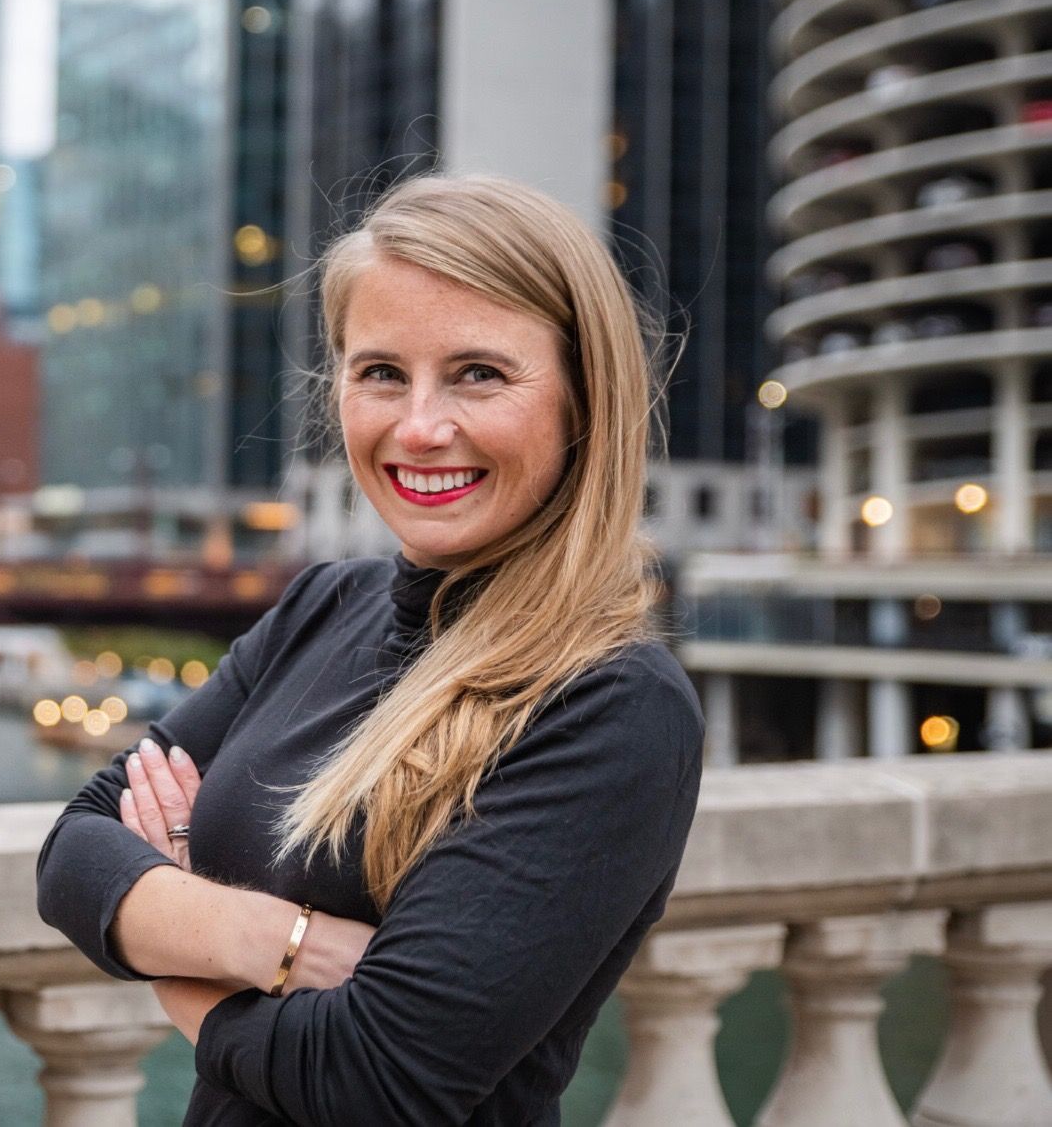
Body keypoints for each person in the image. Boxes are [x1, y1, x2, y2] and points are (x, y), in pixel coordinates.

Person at [36, 173, 705, 1126]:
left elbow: (372, 1079)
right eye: (382, 372)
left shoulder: (612, 703)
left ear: (583, 402)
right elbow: (73, 855)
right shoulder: (323, 605)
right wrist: (282, 942)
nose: (419, 428)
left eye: (479, 373)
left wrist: (174, 949)